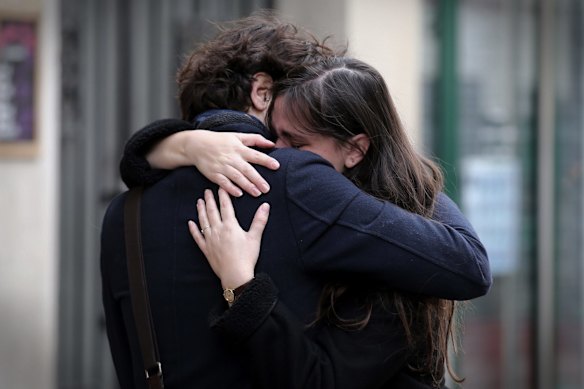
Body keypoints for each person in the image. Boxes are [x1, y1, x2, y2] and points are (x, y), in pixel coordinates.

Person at [101, 12, 490, 389]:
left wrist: (174, 142)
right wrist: (405, 168)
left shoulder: (124, 212)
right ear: (262, 91)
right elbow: (466, 263)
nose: (285, 144)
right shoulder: (294, 179)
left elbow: (125, 354)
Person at [187, 56, 471, 388]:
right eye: (274, 134)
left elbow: (321, 381)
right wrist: (185, 144)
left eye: (296, 144)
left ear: (355, 150)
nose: (277, 153)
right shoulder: (328, 215)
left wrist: (240, 285)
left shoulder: (396, 258)